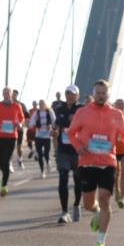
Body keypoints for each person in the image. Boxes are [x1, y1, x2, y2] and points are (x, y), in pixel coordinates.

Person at [68, 80, 124, 246]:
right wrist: (78, 147)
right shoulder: (82, 112)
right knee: (88, 204)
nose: (101, 96)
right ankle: (96, 211)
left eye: (104, 93)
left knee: (105, 199)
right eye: (98, 93)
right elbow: (71, 133)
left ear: (108, 95)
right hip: (87, 162)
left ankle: (100, 241)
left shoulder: (116, 114)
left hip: (108, 163)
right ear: (93, 93)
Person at [0, 87, 24, 196]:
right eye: (5, 93)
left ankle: (4, 185)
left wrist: (19, 124)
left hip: (11, 137)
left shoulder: (17, 106)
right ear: (2, 95)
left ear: (11, 95)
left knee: (6, 162)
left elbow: (21, 118)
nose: (6, 95)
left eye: (8, 93)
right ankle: (5, 174)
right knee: (1, 164)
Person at [54, 85, 83, 224]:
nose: (70, 96)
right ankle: (65, 212)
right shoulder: (60, 109)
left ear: (77, 96)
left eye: (72, 94)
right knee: (63, 179)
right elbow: (57, 125)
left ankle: (76, 204)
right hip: (63, 150)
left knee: (78, 182)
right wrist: (54, 131)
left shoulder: (82, 109)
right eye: (67, 93)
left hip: (77, 151)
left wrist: (75, 121)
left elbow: (87, 126)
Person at [28, 99, 55, 178]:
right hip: (38, 135)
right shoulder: (36, 113)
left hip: (47, 135)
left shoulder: (50, 111)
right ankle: (42, 171)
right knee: (39, 154)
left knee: (46, 153)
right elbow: (31, 122)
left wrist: (52, 127)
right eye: (39, 104)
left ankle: (48, 161)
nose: (41, 105)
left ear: (45, 104)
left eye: (42, 104)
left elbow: (54, 121)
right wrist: (31, 125)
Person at [12, 89, 29, 169]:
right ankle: (9, 163)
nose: (13, 96)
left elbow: (27, 116)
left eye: (15, 94)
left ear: (17, 95)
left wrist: (24, 123)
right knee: (10, 146)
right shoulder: (8, 104)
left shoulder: (21, 105)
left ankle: (20, 160)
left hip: (19, 128)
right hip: (10, 129)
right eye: (12, 94)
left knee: (19, 146)